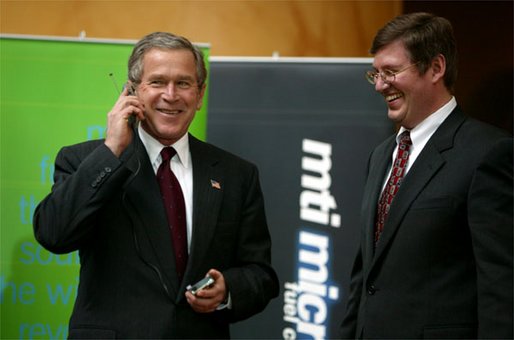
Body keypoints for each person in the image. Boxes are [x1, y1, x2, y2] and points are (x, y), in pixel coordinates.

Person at [33, 32, 279, 339]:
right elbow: (53, 234)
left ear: (200, 95)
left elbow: (261, 275)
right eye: (158, 82)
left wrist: (228, 288)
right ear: (132, 91)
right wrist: (111, 151)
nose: (171, 95)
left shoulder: (237, 174)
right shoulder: (85, 159)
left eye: (184, 83)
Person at [340, 12, 513, 339]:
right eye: (375, 74)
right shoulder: (381, 156)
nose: (379, 85)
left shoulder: (489, 153)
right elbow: (364, 279)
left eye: (390, 72)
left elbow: (501, 286)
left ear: (436, 67)